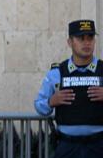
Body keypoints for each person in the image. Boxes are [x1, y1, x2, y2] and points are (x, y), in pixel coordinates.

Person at [34, 20, 103, 157]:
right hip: (67, 146)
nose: (86, 42)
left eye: (90, 38)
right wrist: (51, 102)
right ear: (70, 42)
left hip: (99, 145)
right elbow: (39, 106)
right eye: (81, 38)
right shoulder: (56, 73)